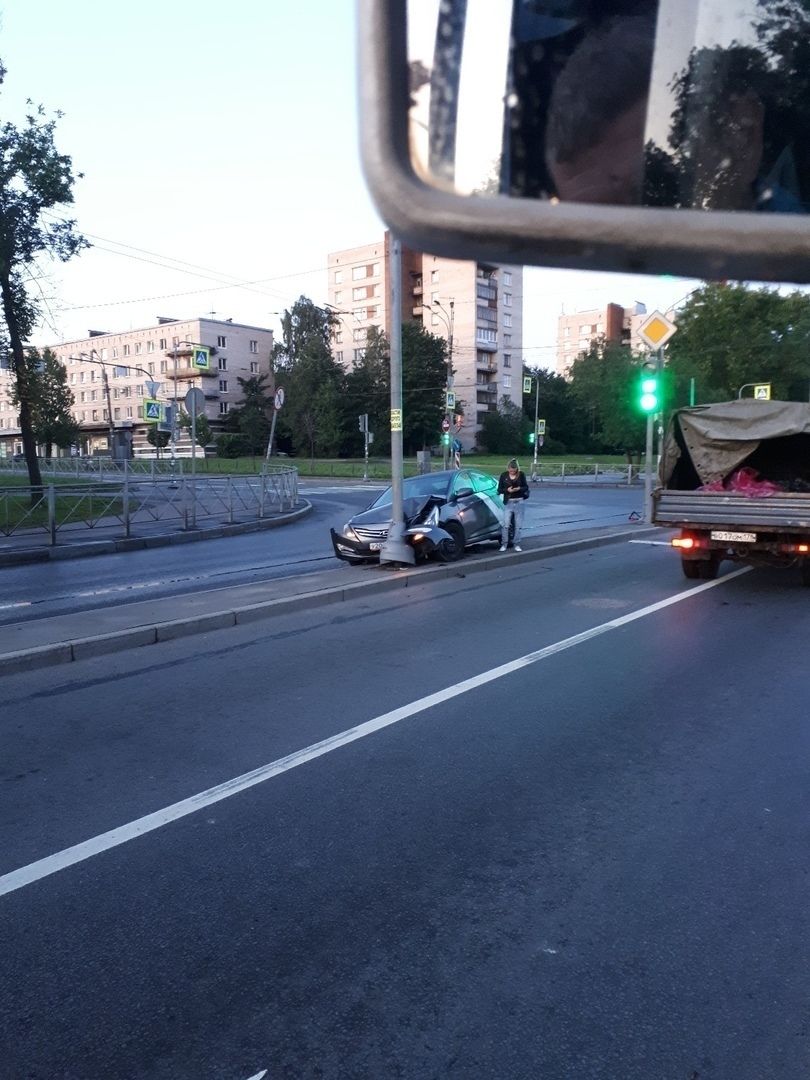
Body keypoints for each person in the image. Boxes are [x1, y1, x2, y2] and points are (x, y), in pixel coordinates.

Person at [497, 458, 529, 552]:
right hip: (509, 502)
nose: (512, 472)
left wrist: (519, 488)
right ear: (508, 468)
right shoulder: (504, 475)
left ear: (517, 469)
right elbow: (499, 490)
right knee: (506, 524)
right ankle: (504, 544)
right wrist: (507, 490)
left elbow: (526, 487)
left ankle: (517, 544)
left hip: (519, 501)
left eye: (514, 471)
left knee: (518, 525)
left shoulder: (521, 474)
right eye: (511, 470)